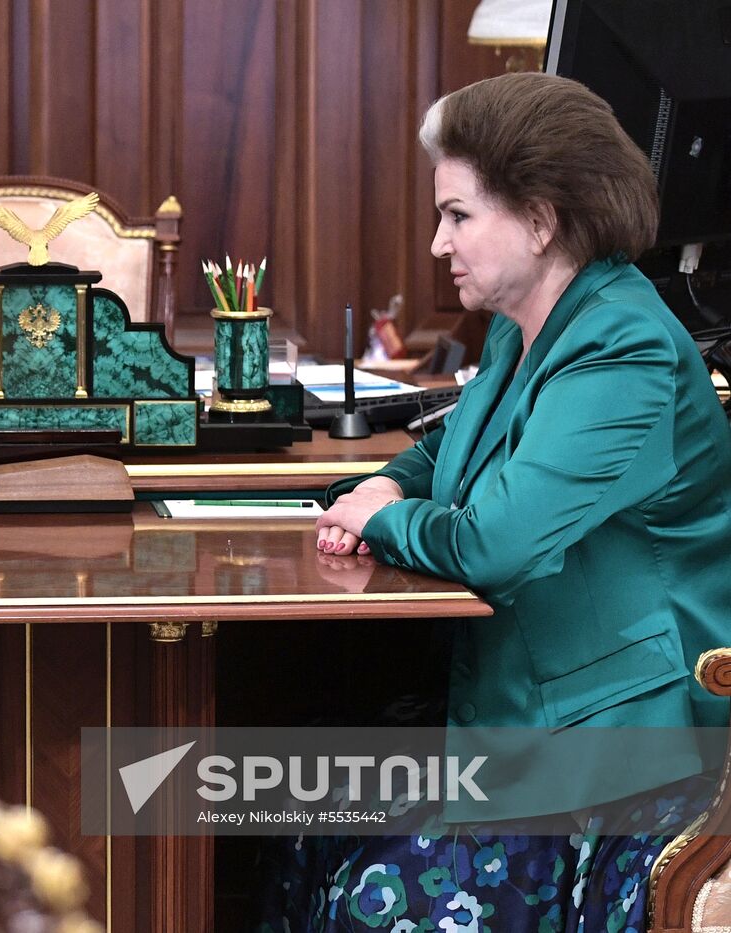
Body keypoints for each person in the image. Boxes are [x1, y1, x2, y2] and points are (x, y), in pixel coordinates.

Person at [263, 72, 731, 931]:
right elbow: (455, 448)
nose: (438, 243)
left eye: (458, 215)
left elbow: (495, 542)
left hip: (628, 750)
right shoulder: (534, 324)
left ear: (543, 219)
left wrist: (381, 521)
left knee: (379, 890)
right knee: (307, 815)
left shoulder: (621, 345)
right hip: (536, 720)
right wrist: (382, 483)